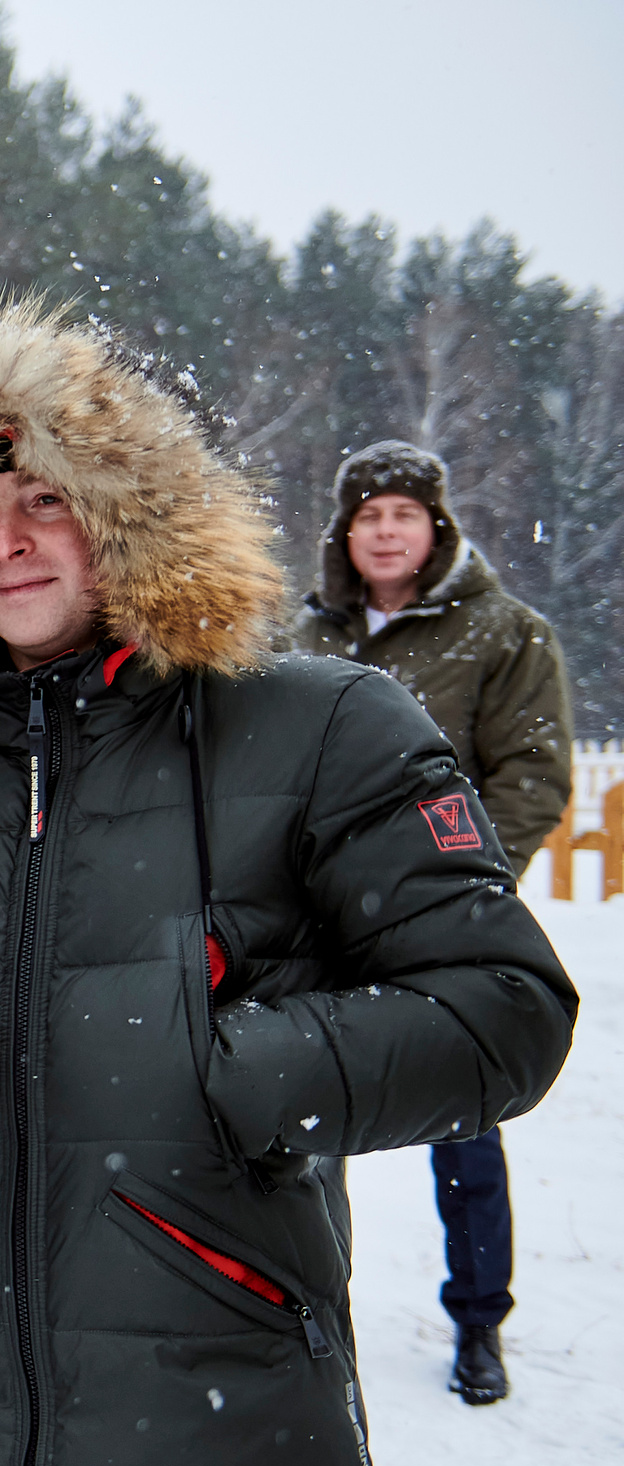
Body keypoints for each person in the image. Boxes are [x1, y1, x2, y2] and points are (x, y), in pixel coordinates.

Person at [0, 303, 576, 1466]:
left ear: (129, 516)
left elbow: (503, 1005)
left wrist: (225, 1067)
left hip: (219, 1438)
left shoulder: (321, 723)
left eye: (47, 501)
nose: (10, 541)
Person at [286, 441, 572, 1406]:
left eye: (404, 514)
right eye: (369, 516)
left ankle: (478, 1317)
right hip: (315, 917)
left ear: (434, 526)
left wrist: (457, 886)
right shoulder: (311, 635)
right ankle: (311, 1312)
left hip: (440, 920)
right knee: (303, 1113)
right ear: (348, 531)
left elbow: (532, 776)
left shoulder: (502, 633)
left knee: (465, 1116)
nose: (386, 531)